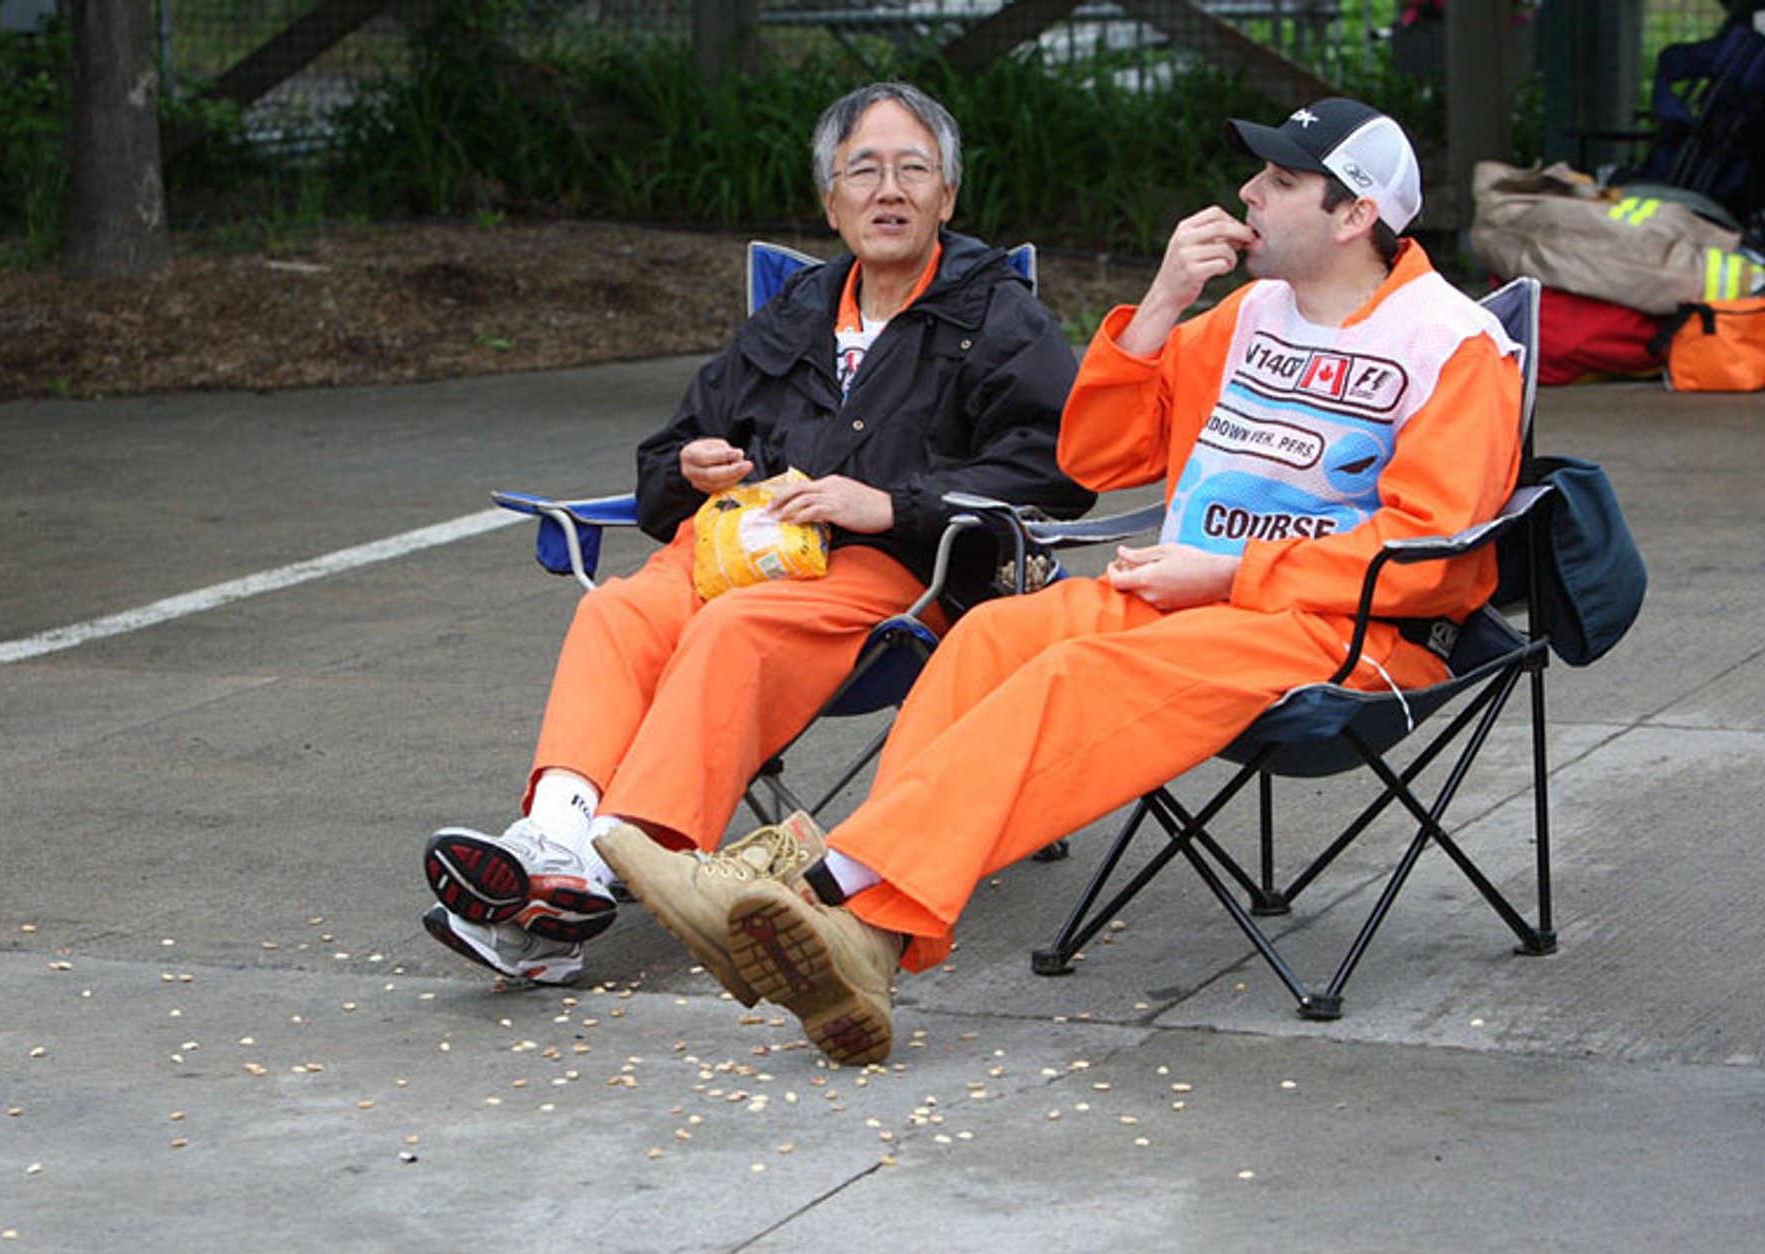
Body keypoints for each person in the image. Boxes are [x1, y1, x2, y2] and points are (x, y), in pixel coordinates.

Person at [600, 97, 1527, 1065]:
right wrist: (1162, 303)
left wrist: (1228, 573)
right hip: (1177, 589)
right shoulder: (1245, 316)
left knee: (1069, 678)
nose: (1246, 193)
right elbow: (1095, 455)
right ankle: (862, 932)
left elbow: (1434, 556)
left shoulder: (1449, 343)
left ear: (1353, 217)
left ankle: (831, 895)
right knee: (987, 641)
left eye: (1280, 181)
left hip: (1339, 628)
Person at [419, 81, 1095, 991]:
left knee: (731, 631)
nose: (887, 191)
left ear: (947, 197)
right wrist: (691, 469)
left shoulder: (998, 315)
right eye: (864, 171)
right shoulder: (796, 312)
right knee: (621, 611)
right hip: (736, 543)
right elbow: (666, 454)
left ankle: (601, 868)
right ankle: (553, 846)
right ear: (831, 200)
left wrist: (892, 504)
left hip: (892, 574)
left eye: (912, 171)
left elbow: (1057, 467)